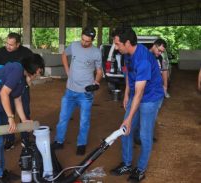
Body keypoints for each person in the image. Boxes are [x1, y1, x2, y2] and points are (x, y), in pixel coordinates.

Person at [0, 54, 45, 183]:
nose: (39, 73)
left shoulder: (23, 79)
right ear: (34, 67)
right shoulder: (17, 69)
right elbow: (4, 93)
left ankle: (1, 172)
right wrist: (11, 117)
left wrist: (24, 120)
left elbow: (17, 99)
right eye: (39, 70)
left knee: (1, 140)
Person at [110, 27, 164, 183]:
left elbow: (140, 94)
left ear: (127, 43)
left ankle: (140, 170)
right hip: (136, 94)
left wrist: (129, 117)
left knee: (144, 135)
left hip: (150, 97)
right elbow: (129, 74)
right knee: (125, 130)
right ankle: (127, 164)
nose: (116, 47)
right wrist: (127, 93)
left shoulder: (143, 60)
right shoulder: (127, 53)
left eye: (118, 44)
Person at [52, 27, 103, 156]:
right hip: (70, 91)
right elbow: (64, 54)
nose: (84, 43)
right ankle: (59, 141)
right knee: (63, 118)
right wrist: (67, 70)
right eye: (83, 39)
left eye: (87, 41)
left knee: (84, 121)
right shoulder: (74, 45)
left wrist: (96, 82)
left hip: (85, 94)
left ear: (92, 40)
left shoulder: (96, 52)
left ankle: (81, 144)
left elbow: (99, 71)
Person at [0, 32, 33, 151]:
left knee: (24, 112)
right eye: (6, 43)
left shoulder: (26, 53)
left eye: (11, 44)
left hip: (22, 87)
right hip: (6, 88)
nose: (8, 46)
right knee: (8, 114)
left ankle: (25, 138)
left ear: (18, 44)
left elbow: (32, 66)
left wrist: (29, 76)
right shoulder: (0, 52)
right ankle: (9, 140)